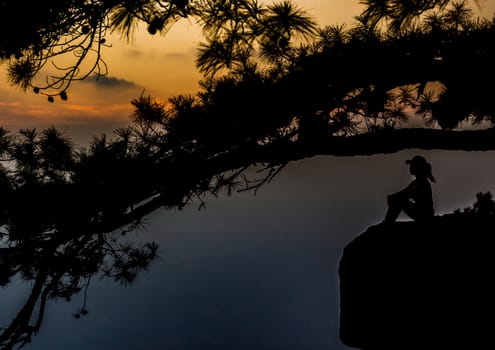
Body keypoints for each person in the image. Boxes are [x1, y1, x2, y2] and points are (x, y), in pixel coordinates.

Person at [383, 155, 435, 223]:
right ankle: (388, 222)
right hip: (422, 212)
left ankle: (388, 223)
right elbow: (405, 192)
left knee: (399, 201)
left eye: (412, 165)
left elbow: (406, 194)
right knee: (397, 200)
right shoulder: (417, 181)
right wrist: (393, 197)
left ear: (417, 168)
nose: (410, 167)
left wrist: (393, 198)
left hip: (424, 214)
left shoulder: (422, 182)